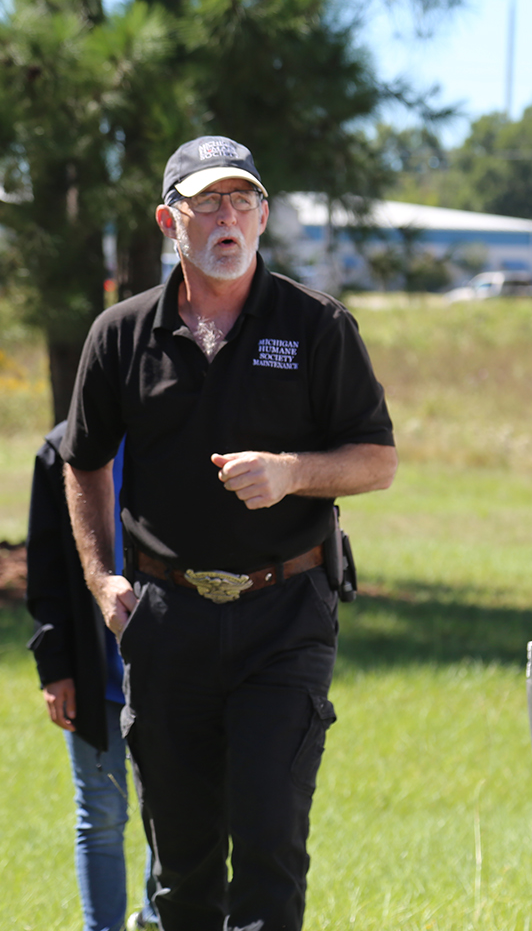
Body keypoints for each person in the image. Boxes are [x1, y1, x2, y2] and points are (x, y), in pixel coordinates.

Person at [60, 135, 397, 931]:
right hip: (166, 622)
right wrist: (103, 580)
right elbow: (82, 461)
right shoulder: (121, 333)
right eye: (206, 202)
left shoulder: (317, 327)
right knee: (182, 871)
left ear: (265, 216)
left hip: (284, 617)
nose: (227, 218)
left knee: (271, 849)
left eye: (242, 201)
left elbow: (377, 462)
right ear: (168, 222)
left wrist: (291, 472)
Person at [26, 424, 158, 931]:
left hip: (173, 671)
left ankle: (154, 919)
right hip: (93, 674)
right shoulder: (63, 448)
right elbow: (47, 568)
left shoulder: (179, 427)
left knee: (173, 815)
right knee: (100, 817)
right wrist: (54, 667)